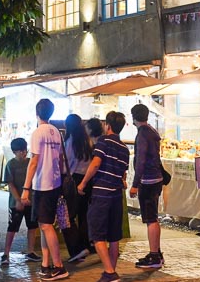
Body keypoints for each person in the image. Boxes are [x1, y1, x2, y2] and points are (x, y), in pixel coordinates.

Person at [78, 111, 129, 282]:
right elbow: (123, 175)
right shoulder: (124, 148)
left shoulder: (103, 142)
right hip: (116, 196)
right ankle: (110, 271)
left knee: (97, 234)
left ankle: (109, 272)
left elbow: (95, 163)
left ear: (107, 125)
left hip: (101, 193)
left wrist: (83, 183)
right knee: (114, 237)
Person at [21, 99, 69, 281]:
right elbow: (60, 159)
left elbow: (33, 162)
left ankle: (59, 267)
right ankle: (45, 264)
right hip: (55, 183)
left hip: (43, 185)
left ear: (37, 113)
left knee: (47, 226)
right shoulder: (56, 131)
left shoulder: (37, 133)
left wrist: (26, 187)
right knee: (44, 225)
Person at [129, 103, 165, 269]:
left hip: (148, 181)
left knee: (150, 219)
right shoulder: (152, 131)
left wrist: (135, 184)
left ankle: (154, 255)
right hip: (156, 179)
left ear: (133, 117)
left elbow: (141, 160)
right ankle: (156, 252)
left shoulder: (143, 134)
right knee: (154, 218)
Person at [1, 137, 40, 266]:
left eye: (25, 150)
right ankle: (6, 253)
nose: (24, 153)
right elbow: (10, 184)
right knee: (12, 227)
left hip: (31, 200)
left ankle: (31, 251)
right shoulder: (11, 164)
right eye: (20, 151)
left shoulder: (30, 162)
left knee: (32, 226)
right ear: (14, 152)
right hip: (15, 202)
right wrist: (18, 199)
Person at [62, 113, 92, 263]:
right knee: (84, 215)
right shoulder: (87, 140)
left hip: (74, 181)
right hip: (87, 181)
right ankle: (85, 245)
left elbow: (65, 162)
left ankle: (77, 249)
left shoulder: (70, 140)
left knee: (68, 216)